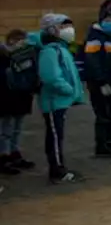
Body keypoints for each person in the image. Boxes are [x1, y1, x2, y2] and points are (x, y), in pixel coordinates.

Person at [36, 14, 85, 184]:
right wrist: (68, 89)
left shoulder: (61, 48)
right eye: (63, 27)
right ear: (52, 29)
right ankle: (57, 170)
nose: (68, 30)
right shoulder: (50, 51)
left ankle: (59, 167)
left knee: (57, 135)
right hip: (53, 101)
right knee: (55, 136)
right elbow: (50, 77)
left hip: (59, 101)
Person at [82, 12, 111, 158]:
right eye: (108, 20)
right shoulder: (95, 38)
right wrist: (100, 81)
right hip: (98, 83)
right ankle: (101, 146)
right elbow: (92, 61)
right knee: (102, 114)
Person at [0, 29, 39, 173]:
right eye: (19, 40)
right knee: (6, 130)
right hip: (6, 97)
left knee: (17, 128)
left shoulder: (26, 56)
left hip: (22, 96)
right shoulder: (3, 57)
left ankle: (15, 153)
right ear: (11, 41)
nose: (22, 43)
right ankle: (4, 157)